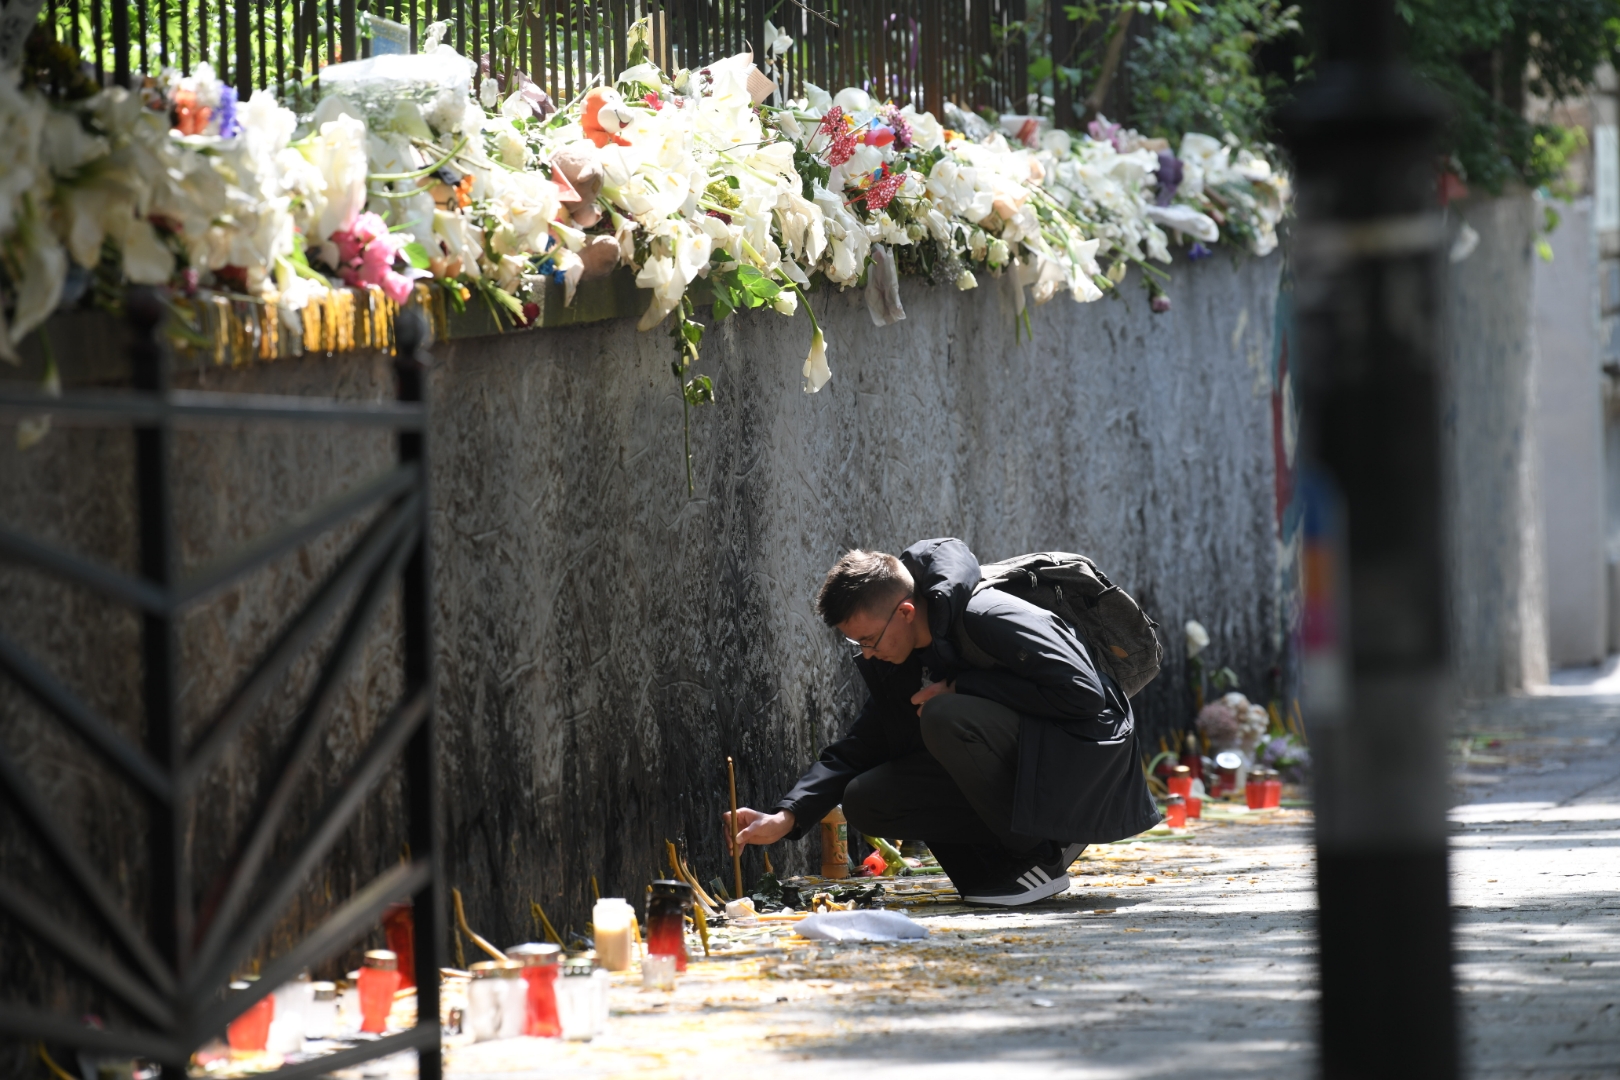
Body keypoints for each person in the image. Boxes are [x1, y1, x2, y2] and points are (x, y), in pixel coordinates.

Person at [724, 538, 1160, 905]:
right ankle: (996, 870)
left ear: (907, 612)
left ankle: (1039, 855)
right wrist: (787, 816)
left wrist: (965, 687)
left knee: (943, 714)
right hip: (1032, 762)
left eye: (870, 640)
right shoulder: (903, 656)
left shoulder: (987, 614)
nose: (868, 653)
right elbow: (862, 744)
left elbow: (1085, 694)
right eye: (856, 644)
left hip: (1085, 764)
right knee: (865, 800)